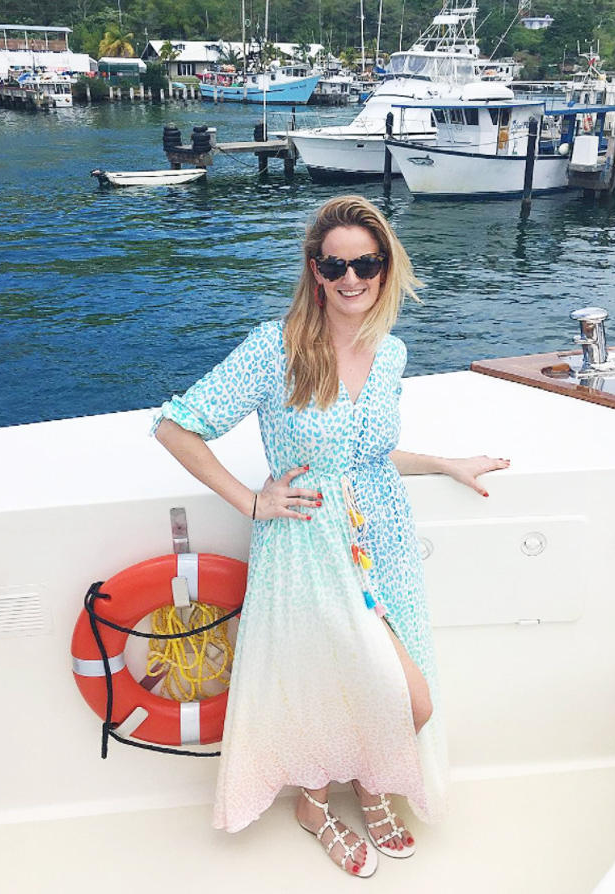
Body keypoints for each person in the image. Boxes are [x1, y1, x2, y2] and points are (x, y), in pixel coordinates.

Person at [153, 195, 509, 878]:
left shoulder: (391, 353)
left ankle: (372, 791)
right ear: (315, 270)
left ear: (385, 268)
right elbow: (176, 427)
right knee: (361, 688)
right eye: (335, 265)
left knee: (386, 687)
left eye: (365, 264)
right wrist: (252, 502)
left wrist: (444, 463)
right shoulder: (278, 349)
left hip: (383, 539)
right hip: (308, 545)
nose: (351, 278)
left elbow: (365, 453)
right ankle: (313, 806)